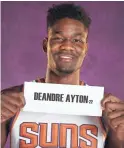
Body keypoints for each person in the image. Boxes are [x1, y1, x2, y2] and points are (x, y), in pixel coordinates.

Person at [1, 3, 124, 148]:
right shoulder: (11, 100)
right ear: (45, 45)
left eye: (77, 40)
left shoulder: (106, 108)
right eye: (58, 38)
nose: (67, 46)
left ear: (85, 49)